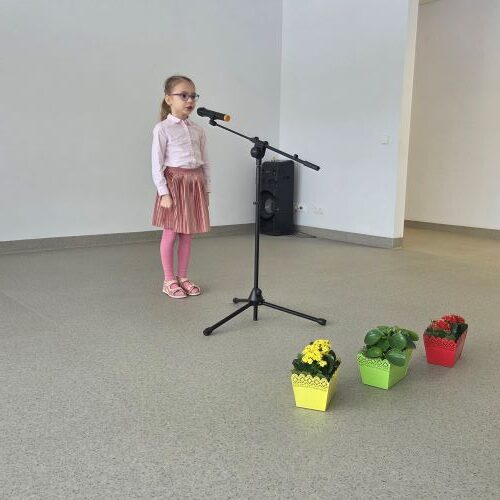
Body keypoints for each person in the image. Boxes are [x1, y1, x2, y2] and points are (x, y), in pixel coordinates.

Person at [151, 75, 210, 298]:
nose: (190, 100)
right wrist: (163, 193)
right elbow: (156, 164)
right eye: (183, 95)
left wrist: (207, 187)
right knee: (171, 233)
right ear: (169, 99)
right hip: (174, 185)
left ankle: (183, 277)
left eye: (193, 96)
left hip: (195, 184)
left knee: (187, 234)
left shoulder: (198, 130)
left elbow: (205, 161)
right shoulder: (162, 128)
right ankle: (168, 280)